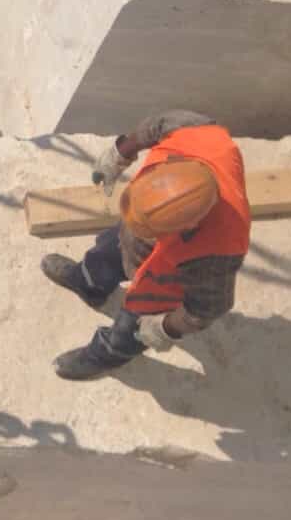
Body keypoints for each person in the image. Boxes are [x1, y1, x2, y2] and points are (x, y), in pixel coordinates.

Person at [41, 110, 251, 381]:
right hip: (145, 227)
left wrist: (167, 328)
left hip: (164, 283)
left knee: (132, 328)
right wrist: (120, 153)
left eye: (149, 234)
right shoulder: (195, 133)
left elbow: (208, 308)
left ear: (185, 227)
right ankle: (88, 283)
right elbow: (155, 126)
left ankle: (104, 356)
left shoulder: (217, 251)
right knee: (107, 250)